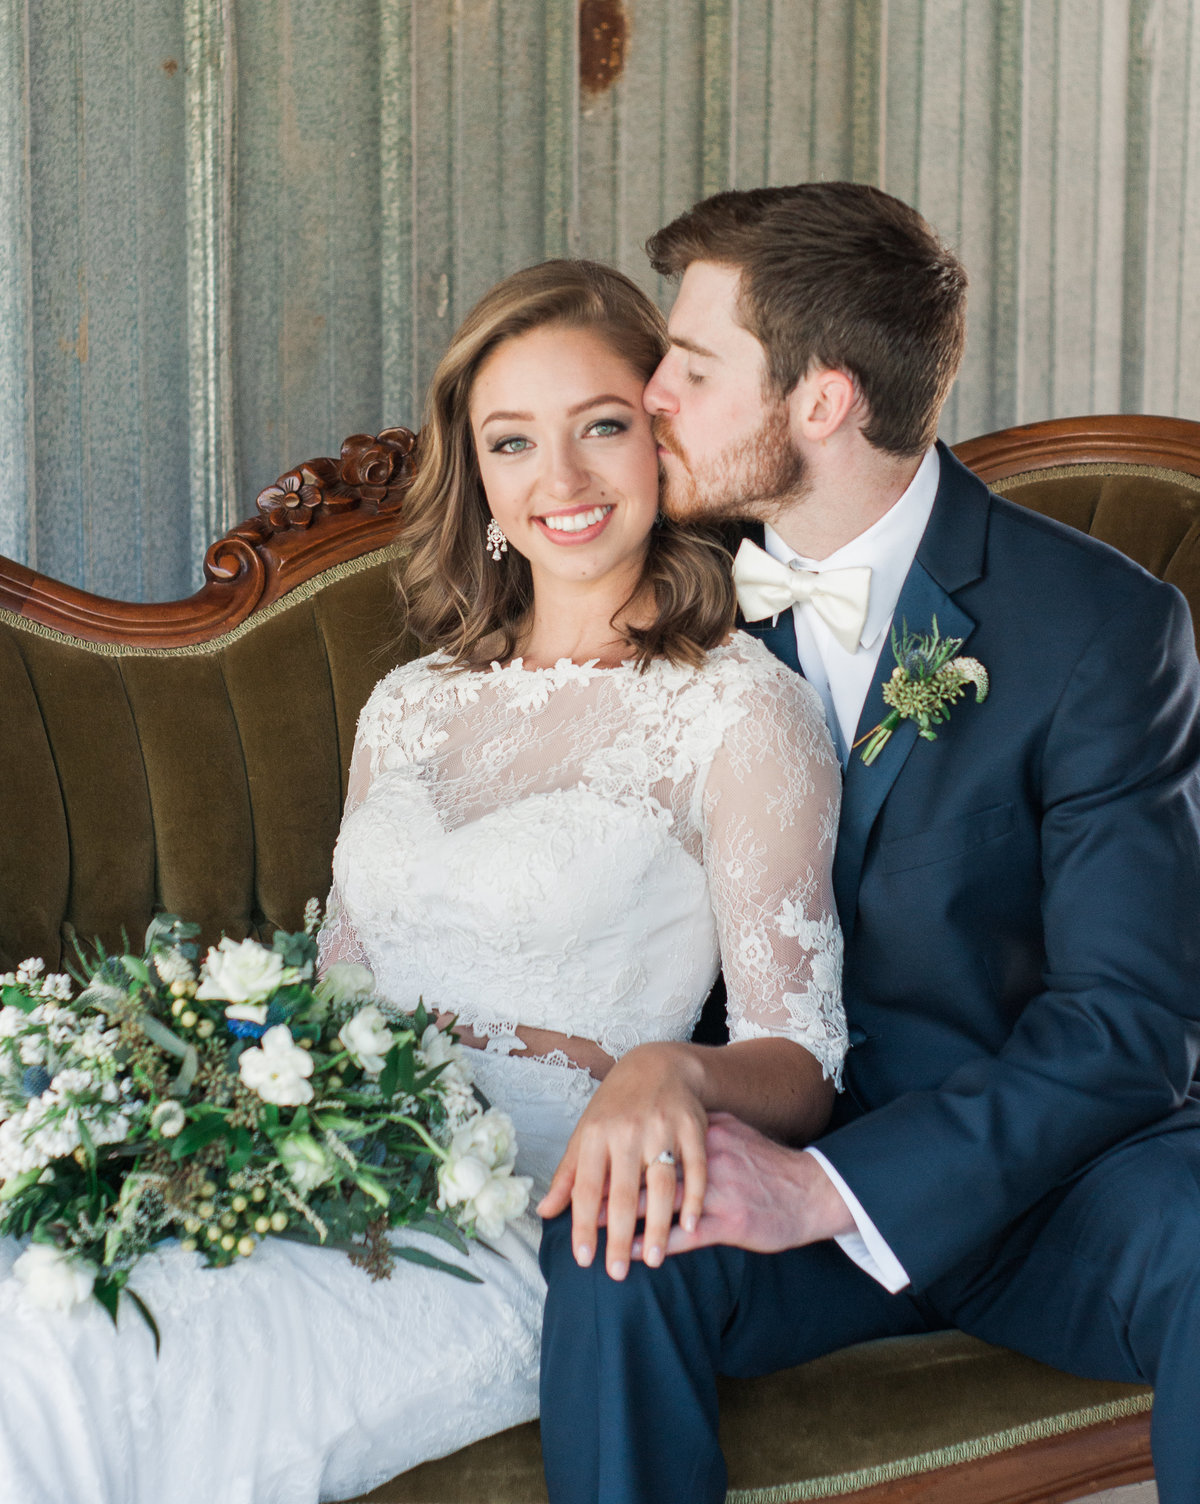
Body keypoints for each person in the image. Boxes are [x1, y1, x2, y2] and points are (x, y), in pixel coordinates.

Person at [0, 258, 847, 1503]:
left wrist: (671, 1074)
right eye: (513, 444)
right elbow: (332, 994)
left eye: (601, 428)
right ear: (482, 480)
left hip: (510, 1222)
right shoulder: (407, 706)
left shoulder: (738, 710)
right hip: (318, 1169)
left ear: (664, 443)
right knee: (41, 1294)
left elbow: (803, 1062)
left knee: (71, 1359)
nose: (559, 482)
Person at [536, 182, 1200, 1504]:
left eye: (696, 364)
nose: (653, 390)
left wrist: (837, 1189)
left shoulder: (1103, 631)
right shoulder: (660, 592)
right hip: (762, 1147)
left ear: (824, 402)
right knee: (613, 1248)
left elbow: (1130, 1025)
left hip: (1048, 1187)